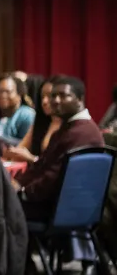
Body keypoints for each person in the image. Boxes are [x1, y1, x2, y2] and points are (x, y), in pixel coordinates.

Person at [12, 76, 105, 221]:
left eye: (63, 95)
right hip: (57, 203)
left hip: (62, 209)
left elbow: (56, 176)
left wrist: (24, 192)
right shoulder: (68, 129)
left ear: (79, 99)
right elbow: (41, 165)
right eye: (53, 95)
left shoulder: (83, 132)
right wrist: (18, 182)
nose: (55, 100)